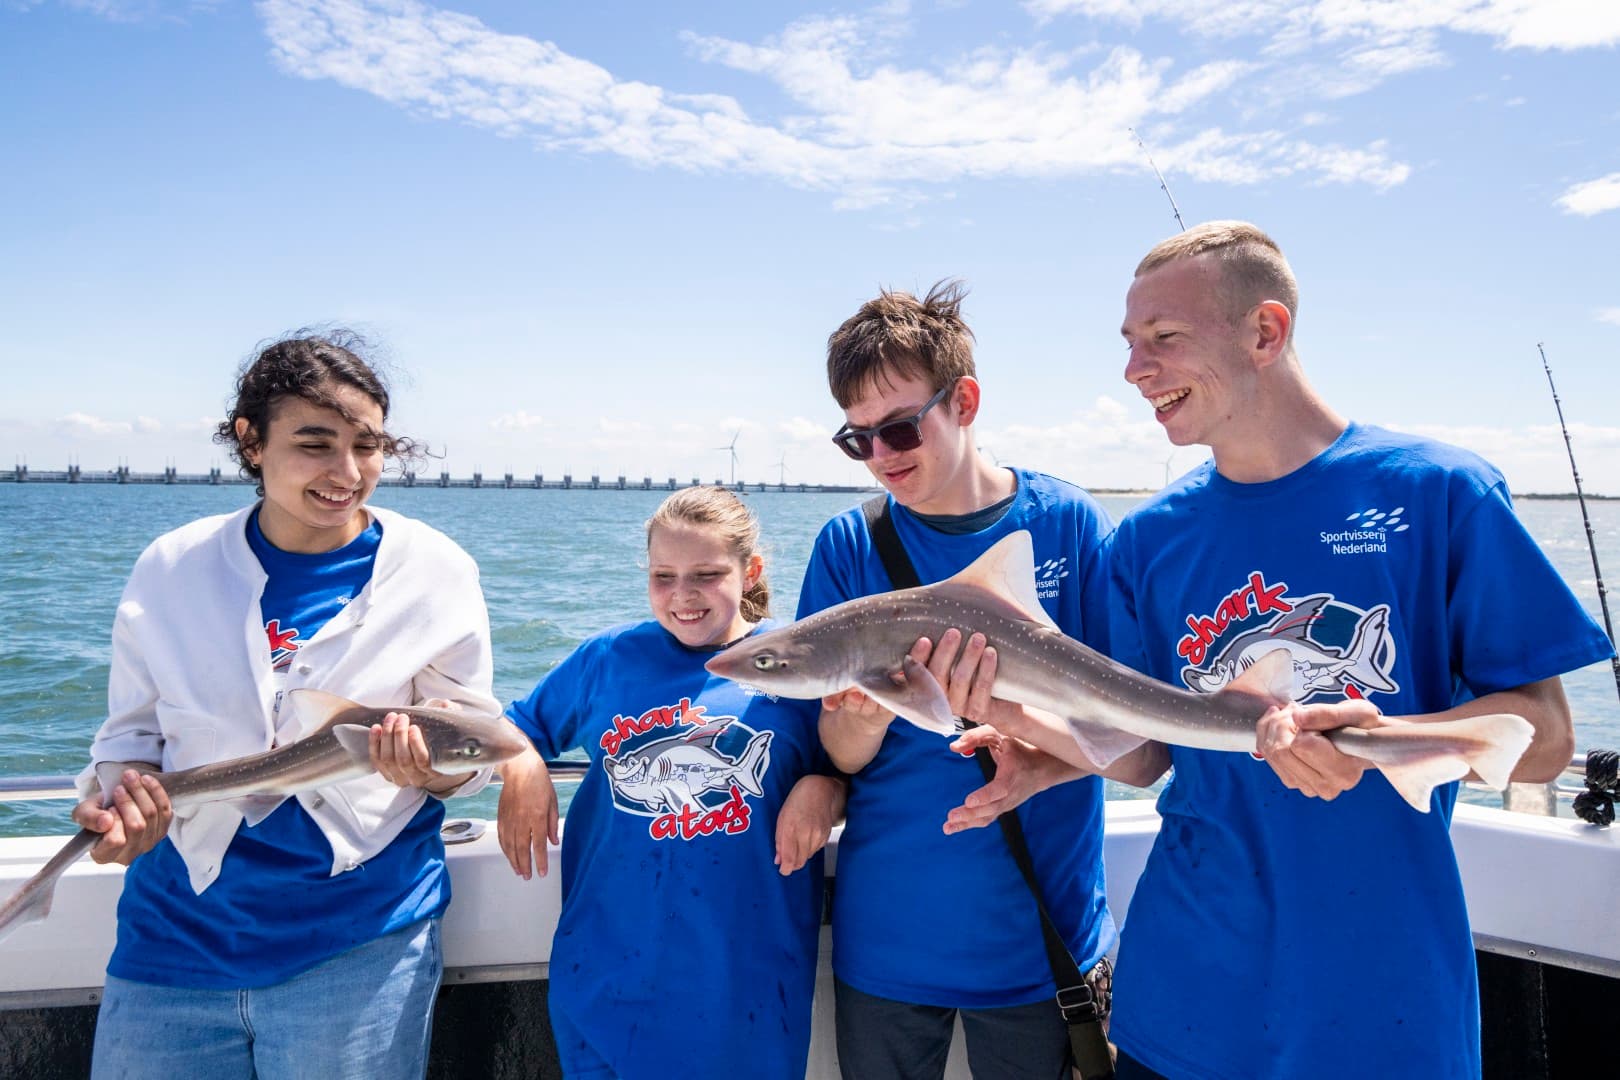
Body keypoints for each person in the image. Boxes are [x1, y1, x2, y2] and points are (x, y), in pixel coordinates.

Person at [1088, 221, 1610, 1079]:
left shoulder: (1441, 493)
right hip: (1180, 1006)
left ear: (1266, 332)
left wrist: (1374, 749)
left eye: (1164, 338)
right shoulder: (1145, 541)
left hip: (1381, 1012)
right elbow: (1141, 758)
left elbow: (1546, 740)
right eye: (1130, 343)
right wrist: (1013, 717)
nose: (1134, 370)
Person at [72, 331, 501, 1080]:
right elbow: (132, 735)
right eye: (315, 444)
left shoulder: (436, 572)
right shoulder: (171, 568)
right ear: (250, 441)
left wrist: (432, 773)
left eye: (367, 446)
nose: (348, 473)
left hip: (360, 945)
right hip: (170, 941)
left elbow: (471, 747)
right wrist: (120, 807)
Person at [800, 281, 1148, 1080]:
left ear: (964, 400)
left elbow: (1135, 738)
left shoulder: (1068, 523)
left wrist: (1040, 754)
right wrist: (869, 710)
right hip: (887, 939)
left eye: (897, 428)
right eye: (859, 442)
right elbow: (841, 754)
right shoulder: (848, 546)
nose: (882, 457)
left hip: (1043, 935)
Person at [495, 485, 846, 1080]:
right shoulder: (606, 658)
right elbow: (515, 726)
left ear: (750, 570)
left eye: (706, 574)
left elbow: (853, 763)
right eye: (664, 576)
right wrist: (523, 765)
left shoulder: (799, 661)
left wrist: (825, 785)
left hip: (748, 977)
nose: (683, 595)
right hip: (607, 966)